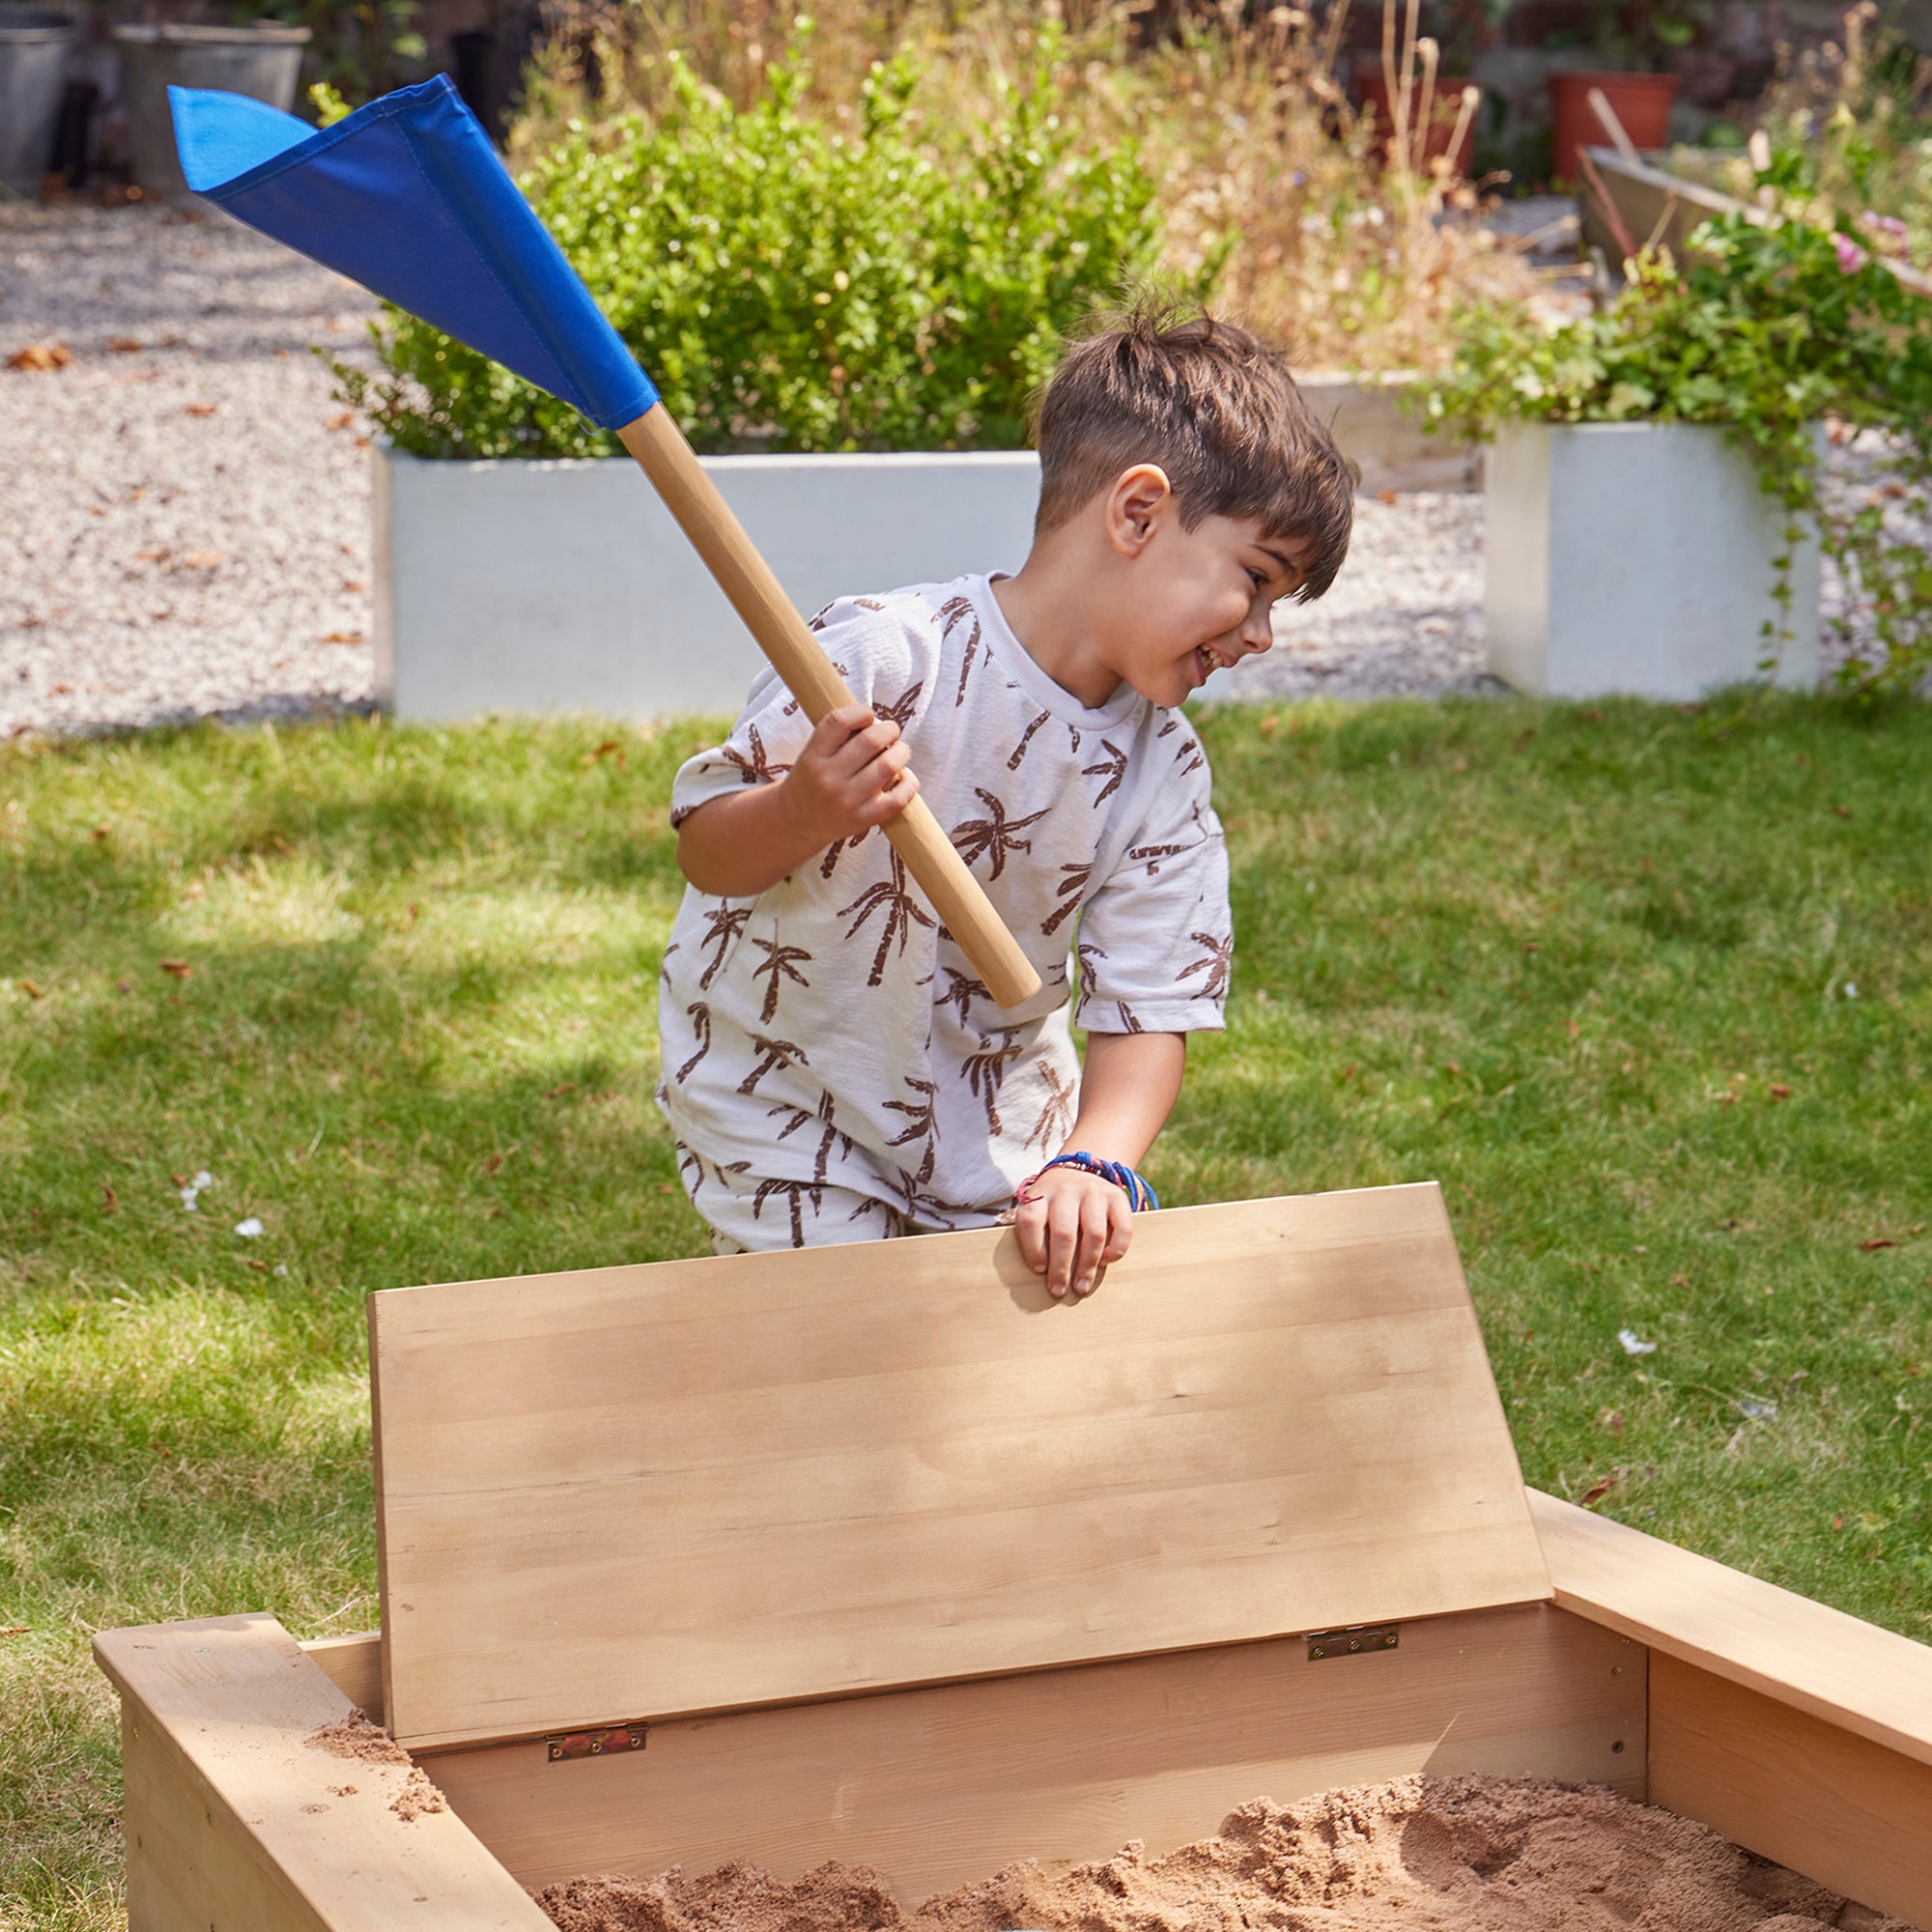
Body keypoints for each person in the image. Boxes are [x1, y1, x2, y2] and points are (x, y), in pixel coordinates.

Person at [657, 300, 1353, 1295]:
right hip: (786, 1094)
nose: (1259, 635)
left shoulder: (1163, 772)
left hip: (992, 1116)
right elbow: (706, 853)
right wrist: (802, 809)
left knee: (998, 1362)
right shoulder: (881, 657)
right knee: (848, 1342)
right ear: (1136, 512)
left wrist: (1092, 1157)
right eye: (1254, 580)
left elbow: (1149, 1003)